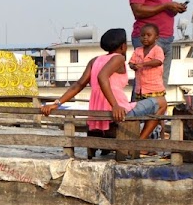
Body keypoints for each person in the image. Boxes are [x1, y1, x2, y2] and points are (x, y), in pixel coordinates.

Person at [41, 29, 130, 158]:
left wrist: (57, 103)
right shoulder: (119, 58)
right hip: (116, 105)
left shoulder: (94, 60)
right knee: (158, 103)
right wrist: (115, 105)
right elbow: (102, 77)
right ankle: (143, 147)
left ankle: (101, 149)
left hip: (96, 107)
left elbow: (79, 84)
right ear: (123, 46)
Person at [127, 0, 187, 85]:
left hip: (166, 38)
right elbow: (138, 11)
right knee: (145, 82)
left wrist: (175, 8)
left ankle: (158, 107)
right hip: (148, 38)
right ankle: (138, 107)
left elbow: (161, 9)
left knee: (160, 83)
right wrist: (166, 6)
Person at [128, 22, 167, 140]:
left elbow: (158, 61)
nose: (145, 37)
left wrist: (142, 64)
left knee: (157, 117)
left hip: (154, 89)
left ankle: (161, 137)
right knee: (144, 117)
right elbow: (131, 62)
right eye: (142, 35)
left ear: (156, 37)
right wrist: (133, 66)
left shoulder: (157, 49)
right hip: (140, 90)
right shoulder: (138, 50)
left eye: (148, 35)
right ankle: (144, 138)